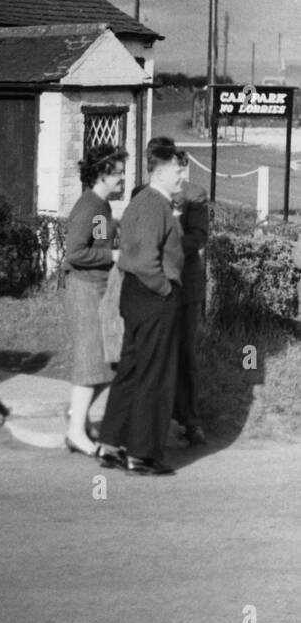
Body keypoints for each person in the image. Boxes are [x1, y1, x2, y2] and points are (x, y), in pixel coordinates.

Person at [95, 138, 187, 476]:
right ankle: (142, 454)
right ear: (161, 172)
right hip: (153, 296)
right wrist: (165, 290)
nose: (182, 177)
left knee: (132, 371)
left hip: (136, 297)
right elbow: (147, 260)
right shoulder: (155, 205)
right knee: (155, 375)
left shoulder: (142, 201)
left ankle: (111, 444)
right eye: (178, 171)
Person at [61, 143, 128, 457]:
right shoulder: (89, 206)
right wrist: (113, 255)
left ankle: (78, 416)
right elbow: (75, 253)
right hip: (85, 290)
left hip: (99, 290)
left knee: (106, 362)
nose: (123, 179)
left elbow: (95, 241)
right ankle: (76, 431)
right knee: (92, 360)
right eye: (118, 173)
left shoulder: (101, 207)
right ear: (102, 174)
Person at [171, 162, 209, 447]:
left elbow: (199, 237)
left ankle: (191, 421)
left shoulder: (193, 195)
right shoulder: (143, 193)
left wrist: (168, 245)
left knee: (186, 354)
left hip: (185, 287)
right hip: (151, 288)